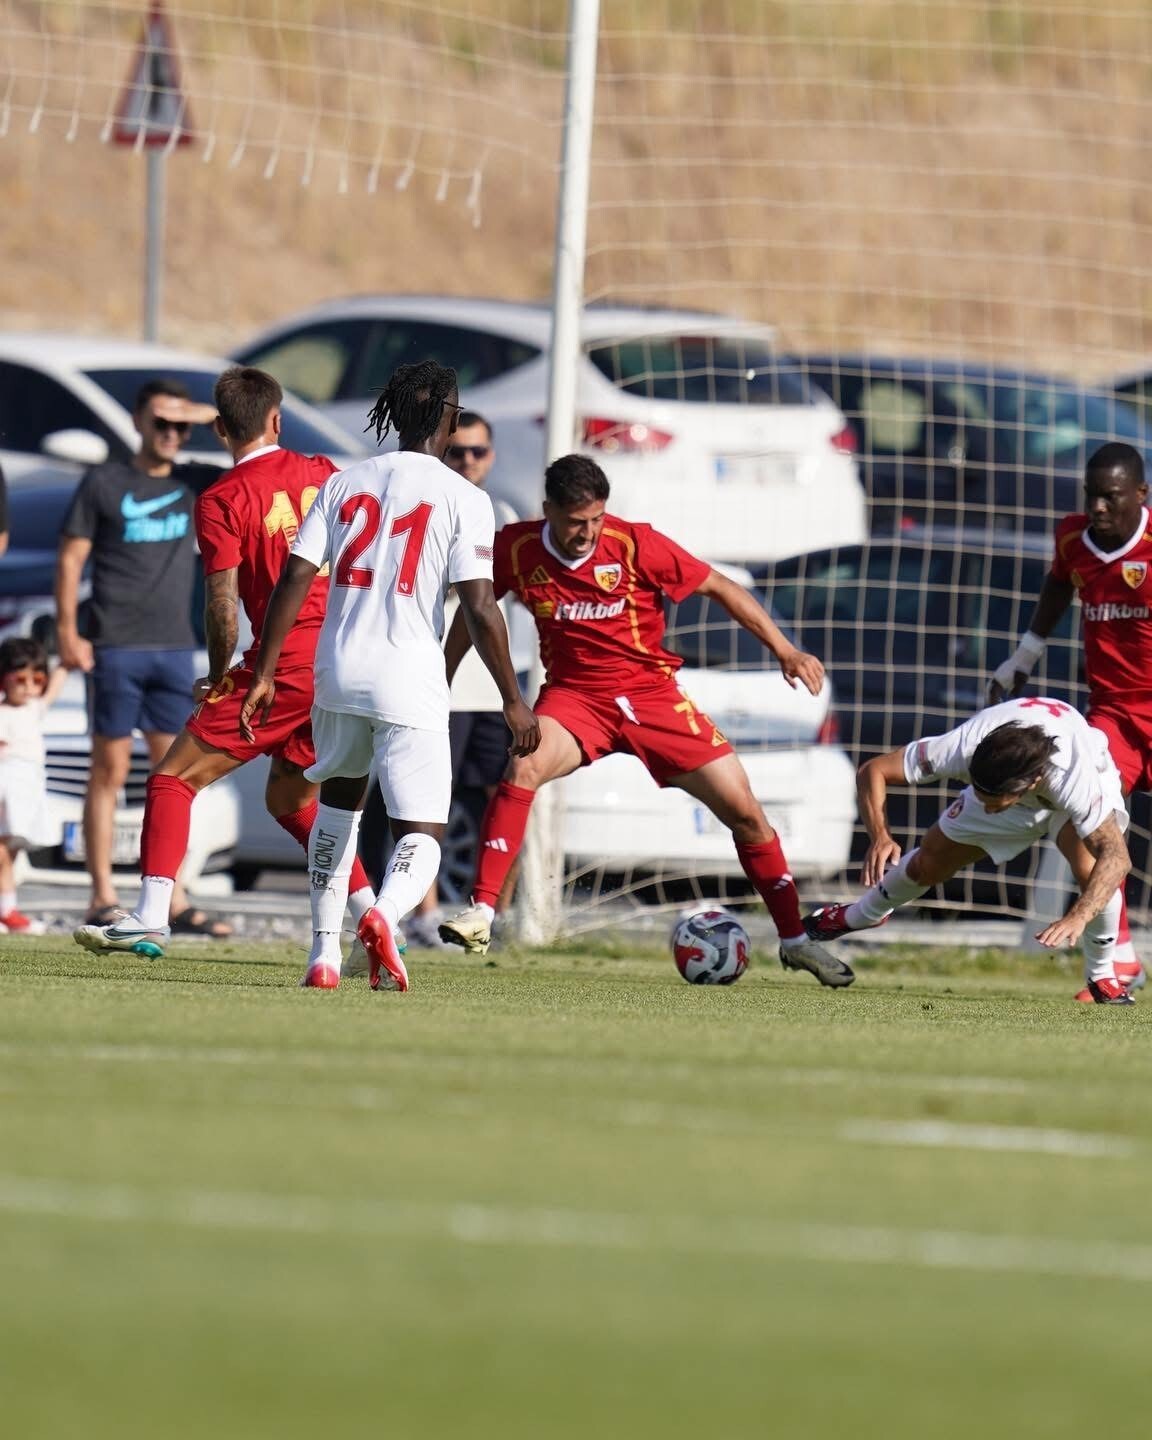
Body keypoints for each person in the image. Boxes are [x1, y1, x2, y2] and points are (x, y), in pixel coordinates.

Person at [437, 453, 851, 988]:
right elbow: (479, 612)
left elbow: (721, 587)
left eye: (595, 521)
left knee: (746, 811)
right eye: (574, 523)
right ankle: (482, 914)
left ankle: (796, 942)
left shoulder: (634, 543)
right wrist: (441, 675)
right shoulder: (516, 548)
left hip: (652, 697)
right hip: (575, 699)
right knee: (521, 770)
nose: (586, 533)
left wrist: (785, 650)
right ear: (548, 512)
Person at [239, 360, 539, 992]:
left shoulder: (345, 483)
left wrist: (264, 671)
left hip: (338, 669)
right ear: (452, 421)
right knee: (423, 829)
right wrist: (513, 699)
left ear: (394, 415)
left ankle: (322, 957)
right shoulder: (465, 498)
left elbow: (296, 577)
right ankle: (382, 914)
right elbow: (480, 606)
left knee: (337, 809)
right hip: (409, 674)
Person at [72, 366, 381, 965]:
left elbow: (222, 606)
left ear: (218, 429)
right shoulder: (324, 472)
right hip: (342, 661)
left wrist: (219, 677)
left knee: (170, 779)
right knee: (290, 804)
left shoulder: (220, 498)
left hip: (282, 662)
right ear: (277, 419)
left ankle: (151, 914)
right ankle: (371, 914)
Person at [803, 696, 1134, 1004]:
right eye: (981, 796)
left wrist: (1078, 916)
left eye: (993, 803)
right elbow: (873, 770)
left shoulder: (1075, 781)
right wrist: (880, 836)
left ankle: (1103, 975)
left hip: (1078, 784)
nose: (986, 809)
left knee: (1093, 873)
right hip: (1015, 783)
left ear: (1030, 785)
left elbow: (1117, 859)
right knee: (927, 864)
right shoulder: (963, 747)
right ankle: (858, 916)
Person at [55, 376, 230, 936]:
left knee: (174, 774)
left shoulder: (192, 480)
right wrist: (68, 631)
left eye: (180, 426)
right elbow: (70, 560)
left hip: (175, 648)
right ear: (136, 422)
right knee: (107, 770)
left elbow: (245, 446)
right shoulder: (105, 481)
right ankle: (101, 894)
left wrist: (205, 415)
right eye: (162, 423)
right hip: (115, 645)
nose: (172, 435)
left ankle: (170, 899)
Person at [987, 440, 1151, 1000]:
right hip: (1113, 712)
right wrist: (1023, 657)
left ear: (1140, 495)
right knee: (1083, 826)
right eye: (1092, 496)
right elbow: (1059, 583)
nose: (1099, 508)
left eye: (1111, 498)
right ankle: (1120, 958)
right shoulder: (1073, 539)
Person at [400, 409, 534, 947]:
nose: (468, 462)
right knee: (425, 800)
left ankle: (488, 916)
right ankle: (424, 913)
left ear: (492, 456)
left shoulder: (498, 511)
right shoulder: (428, 503)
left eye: (478, 452)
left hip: (494, 687)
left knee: (499, 798)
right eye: (458, 452)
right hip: (439, 684)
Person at [0, 637, 69, 933]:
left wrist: (67, 660)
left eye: (37, 679)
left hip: (25, 787)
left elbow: (56, 685)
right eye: (20, 679)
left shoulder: (34, 708)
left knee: (11, 851)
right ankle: (7, 910)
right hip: (5, 784)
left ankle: (7, 908)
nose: (29, 687)